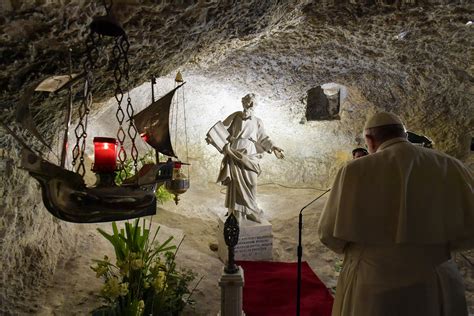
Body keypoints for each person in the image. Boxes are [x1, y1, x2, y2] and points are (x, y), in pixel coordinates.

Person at [318, 111, 473, 316]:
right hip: (435, 277)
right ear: (405, 135)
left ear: (369, 140)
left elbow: (329, 234)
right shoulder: (450, 165)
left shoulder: (355, 170)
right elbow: (469, 230)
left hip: (374, 280)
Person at [214, 93, 284, 223]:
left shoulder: (258, 121)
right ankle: (237, 214)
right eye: (249, 102)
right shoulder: (235, 116)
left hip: (250, 153)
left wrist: (274, 147)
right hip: (235, 151)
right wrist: (216, 139)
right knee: (235, 184)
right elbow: (220, 130)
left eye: (254, 103)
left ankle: (251, 210)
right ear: (243, 103)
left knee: (252, 183)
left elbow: (264, 137)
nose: (251, 105)